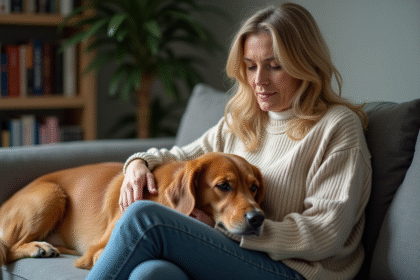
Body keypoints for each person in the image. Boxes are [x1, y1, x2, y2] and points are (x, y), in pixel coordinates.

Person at [87, 2, 372, 280]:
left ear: (305, 65)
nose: (259, 80)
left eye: (274, 66)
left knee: (143, 217)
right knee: (151, 274)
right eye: (250, 67)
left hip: (297, 271)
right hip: (238, 254)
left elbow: (325, 234)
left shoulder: (337, 126)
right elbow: (181, 156)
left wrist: (223, 228)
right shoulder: (243, 120)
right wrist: (138, 163)